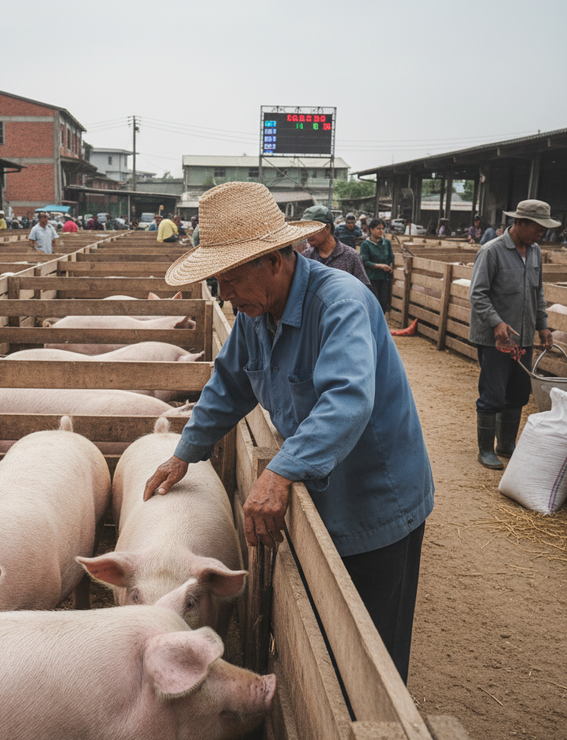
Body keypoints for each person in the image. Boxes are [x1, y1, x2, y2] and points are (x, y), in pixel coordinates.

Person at [142, 182, 433, 683]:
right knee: (325, 635)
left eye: (230, 277)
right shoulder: (256, 313)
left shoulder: (341, 302)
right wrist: (184, 453)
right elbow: (229, 385)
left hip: (375, 497)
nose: (225, 293)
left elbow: (346, 399)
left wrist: (280, 470)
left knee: (372, 651)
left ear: (275, 260)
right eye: (218, 281)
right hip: (322, 488)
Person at [468, 199, 556, 470]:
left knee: (518, 393)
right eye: (538, 227)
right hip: (495, 339)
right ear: (519, 223)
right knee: (493, 393)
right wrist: (496, 323)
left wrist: (542, 324)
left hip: (524, 335)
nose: (542, 233)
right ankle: (486, 449)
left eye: (544, 228)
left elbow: (537, 291)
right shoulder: (491, 251)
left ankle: (506, 444)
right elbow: (477, 293)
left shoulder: (535, 251)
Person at [299, 206, 371, 287]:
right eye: (305, 229)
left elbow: (365, 289)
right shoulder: (306, 257)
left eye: (312, 228)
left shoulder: (351, 256)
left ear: (328, 227)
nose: (307, 234)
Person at [359, 218, 394, 314]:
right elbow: (364, 261)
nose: (381, 231)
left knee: (383, 304)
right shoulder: (366, 245)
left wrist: (390, 266)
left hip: (384, 279)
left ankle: (380, 326)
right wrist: (379, 266)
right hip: (372, 279)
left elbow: (391, 257)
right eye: (378, 228)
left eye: (382, 228)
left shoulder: (386, 243)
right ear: (371, 229)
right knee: (373, 304)